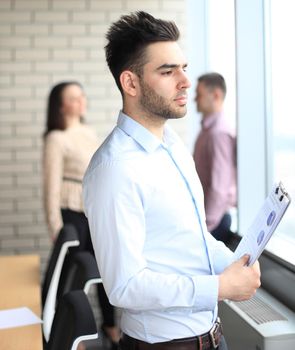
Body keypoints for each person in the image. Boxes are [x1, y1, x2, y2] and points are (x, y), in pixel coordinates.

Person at [83, 12, 260, 350]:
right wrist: (220, 287)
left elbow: (193, 237)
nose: (185, 82)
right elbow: (125, 286)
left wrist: (233, 262)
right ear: (130, 83)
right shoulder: (114, 169)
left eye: (184, 68)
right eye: (167, 71)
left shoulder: (173, 146)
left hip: (212, 335)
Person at [43, 81, 120, 349]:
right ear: (61, 105)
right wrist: (56, 229)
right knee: (74, 277)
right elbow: (51, 187)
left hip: (93, 212)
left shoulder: (87, 131)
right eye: (74, 97)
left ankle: (110, 327)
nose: (81, 101)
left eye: (82, 96)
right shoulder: (56, 138)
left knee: (102, 272)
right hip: (71, 216)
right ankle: (70, 334)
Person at [193, 73, 237, 243]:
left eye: (199, 94)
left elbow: (220, 188)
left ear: (216, 95)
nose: (195, 99)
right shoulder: (208, 130)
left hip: (215, 222)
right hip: (209, 220)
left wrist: (205, 228)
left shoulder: (218, 133)